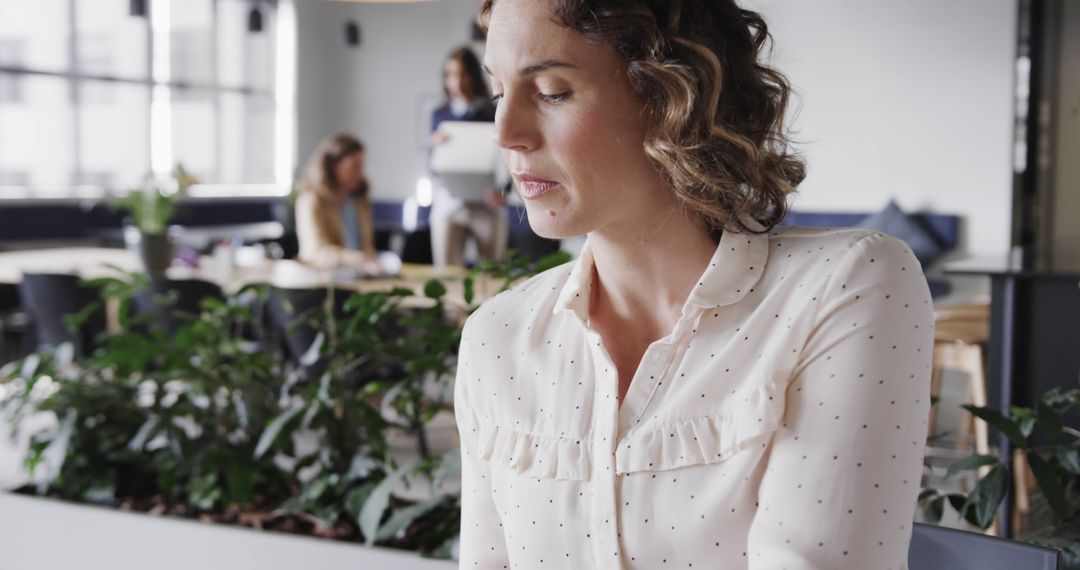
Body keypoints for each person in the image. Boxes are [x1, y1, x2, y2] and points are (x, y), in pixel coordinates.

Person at [453, 1, 934, 569]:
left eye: (553, 91)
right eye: (499, 93)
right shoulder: (497, 337)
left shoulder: (845, 287)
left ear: (673, 98)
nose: (505, 134)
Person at [429, 46, 509, 267]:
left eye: (462, 73)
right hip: (449, 204)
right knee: (446, 275)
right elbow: (434, 168)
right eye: (450, 74)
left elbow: (509, 158)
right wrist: (435, 149)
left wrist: (505, 191)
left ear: (473, 75)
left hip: (486, 204)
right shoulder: (439, 115)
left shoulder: (492, 112)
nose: (456, 81)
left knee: (492, 274)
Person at [294, 133, 377, 270]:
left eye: (361, 166)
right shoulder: (311, 201)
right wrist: (357, 259)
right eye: (354, 167)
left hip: (361, 278)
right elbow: (314, 252)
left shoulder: (359, 200)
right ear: (334, 167)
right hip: (323, 281)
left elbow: (368, 246)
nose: (360, 174)